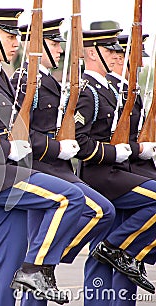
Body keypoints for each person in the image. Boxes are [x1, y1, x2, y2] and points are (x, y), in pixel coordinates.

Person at [0, 8, 86, 305]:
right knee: (70, 199)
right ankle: (36, 268)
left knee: (5, 266)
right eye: (10, 36)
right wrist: (7, 148)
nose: (16, 42)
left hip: (4, 175)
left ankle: (27, 270)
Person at [11, 19, 116, 305]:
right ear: (37, 45)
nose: (60, 50)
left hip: (59, 169)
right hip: (38, 167)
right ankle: (37, 266)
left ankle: (43, 263)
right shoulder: (25, 80)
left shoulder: (53, 83)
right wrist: (57, 148)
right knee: (98, 211)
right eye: (55, 43)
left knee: (101, 213)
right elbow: (18, 133)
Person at [74, 28, 156, 305]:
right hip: (102, 176)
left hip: (125, 173)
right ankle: (113, 249)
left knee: (124, 259)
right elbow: (80, 143)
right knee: (108, 251)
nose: (138, 64)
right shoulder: (90, 92)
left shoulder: (119, 91)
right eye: (117, 54)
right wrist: (128, 151)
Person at [105, 33, 156, 302]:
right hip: (113, 173)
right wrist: (139, 148)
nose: (139, 68)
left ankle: (128, 252)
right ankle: (119, 248)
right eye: (133, 62)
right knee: (107, 262)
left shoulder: (127, 90)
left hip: (131, 170)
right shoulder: (113, 91)